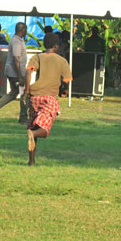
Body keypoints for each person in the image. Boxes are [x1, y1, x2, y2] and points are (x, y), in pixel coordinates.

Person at [24, 33, 73, 166]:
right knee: (44, 130)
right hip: (49, 97)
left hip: (34, 97)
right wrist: (64, 88)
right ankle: (32, 134)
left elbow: (28, 72)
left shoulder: (37, 57)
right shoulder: (62, 61)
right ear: (56, 46)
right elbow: (67, 81)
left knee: (35, 125)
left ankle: (31, 161)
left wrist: (27, 91)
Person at [0, 22, 29, 124]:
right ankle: (23, 117)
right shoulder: (16, 41)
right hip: (15, 73)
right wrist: (20, 76)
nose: (27, 32)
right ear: (22, 30)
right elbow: (16, 58)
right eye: (26, 29)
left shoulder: (17, 40)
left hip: (14, 72)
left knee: (14, 93)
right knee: (24, 94)